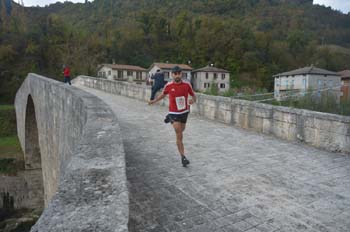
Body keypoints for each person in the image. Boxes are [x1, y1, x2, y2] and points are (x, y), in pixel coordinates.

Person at [148, 66, 196, 167]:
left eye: (179, 73)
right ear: (172, 74)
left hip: (184, 112)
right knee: (179, 133)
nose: (177, 75)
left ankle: (169, 118)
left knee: (182, 130)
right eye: (175, 74)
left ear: (181, 74)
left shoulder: (187, 85)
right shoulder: (168, 86)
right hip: (174, 112)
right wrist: (154, 100)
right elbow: (162, 95)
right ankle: (183, 157)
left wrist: (193, 100)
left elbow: (193, 95)